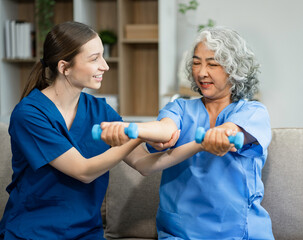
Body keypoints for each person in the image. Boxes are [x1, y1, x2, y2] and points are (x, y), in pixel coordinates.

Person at [0, 21, 202, 239]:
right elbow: (83, 171)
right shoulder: (29, 114)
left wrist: (200, 145)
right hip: (32, 232)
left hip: (86, 233)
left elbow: (144, 164)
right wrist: (136, 135)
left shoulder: (99, 110)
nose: (105, 66)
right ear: (64, 67)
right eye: (94, 58)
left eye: (103, 56)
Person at [101, 26, 274, 239]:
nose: (201, 72)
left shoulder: (252, 111)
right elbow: (165, 128)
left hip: (240, 231)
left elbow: (232, 130)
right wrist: (131, 129)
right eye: (196, 63)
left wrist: (221, 134)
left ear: (233, 68)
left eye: (212, 64)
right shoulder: (181, 108)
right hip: (181, 232)